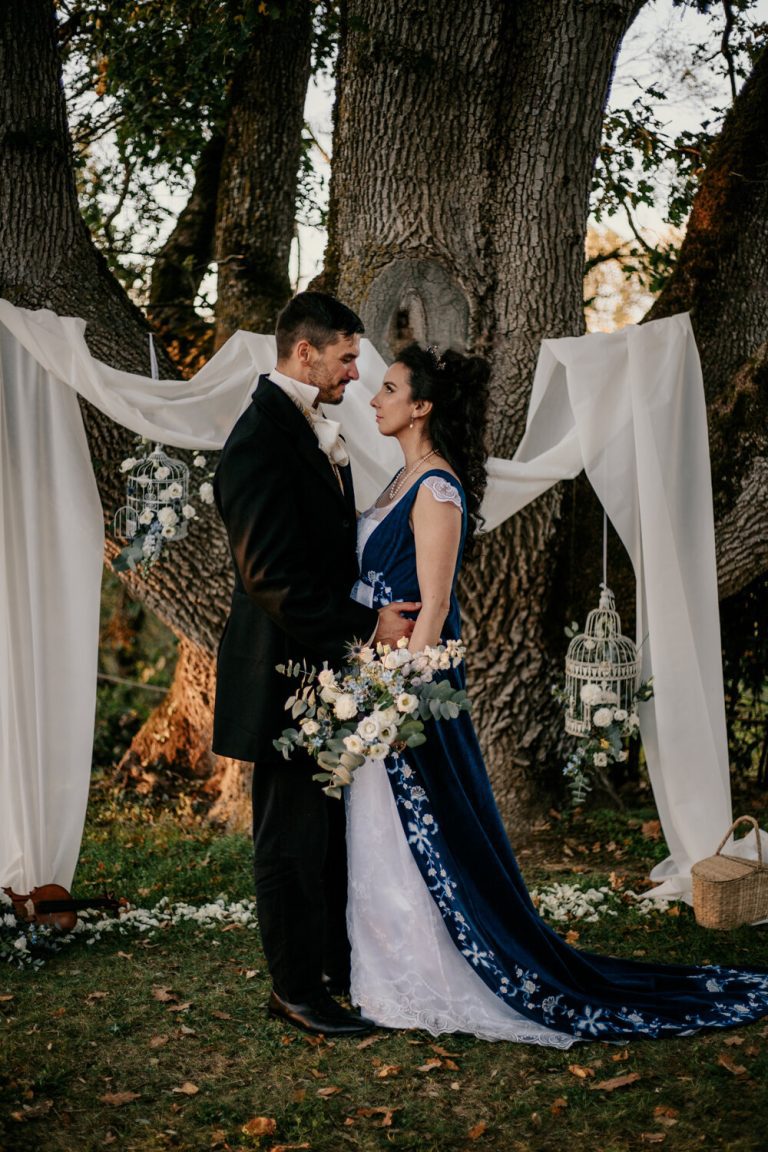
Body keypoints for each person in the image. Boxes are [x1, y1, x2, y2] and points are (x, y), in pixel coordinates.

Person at [345, 341, 768, 1044]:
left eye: (388, 388)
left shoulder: (438, 491)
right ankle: (388, 971)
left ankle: (432, 974)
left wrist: (399, 704)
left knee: (422, 830)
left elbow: (438, 606)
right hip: (374, 677)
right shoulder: (399, 479)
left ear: (422, 406)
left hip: (413, 690)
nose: (375, 398)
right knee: (381, 833)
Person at [213, 292, 418, 1038]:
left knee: (323, 835)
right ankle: (295, 992)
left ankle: (331, 973)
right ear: (305, 352)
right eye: (346, 356)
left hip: (320, 675)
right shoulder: (259, 437)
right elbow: (270, 577)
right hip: (280, 678)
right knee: (289, 840)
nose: (354, 371)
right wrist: (365, 627)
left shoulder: (304, 426)